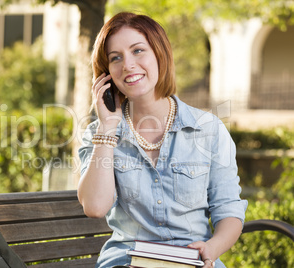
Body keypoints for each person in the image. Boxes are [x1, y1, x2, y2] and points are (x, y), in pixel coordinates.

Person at [77, 12, 248, 268]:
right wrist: (108, 127)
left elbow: (229, 210)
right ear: (106, 74)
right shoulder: (98, 133)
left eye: (138, 51)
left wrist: (211, 249)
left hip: (194, 259)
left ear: (160, 53)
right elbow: (95, 207)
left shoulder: (208, 130)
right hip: (128, 260)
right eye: (116, 58)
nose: (128, 65)